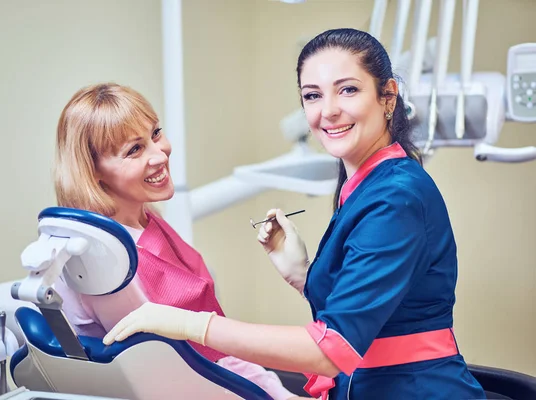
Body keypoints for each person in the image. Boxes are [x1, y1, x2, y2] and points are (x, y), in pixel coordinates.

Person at [102, 28, 487, 400]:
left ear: (388, 97)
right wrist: (304, 276)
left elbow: (330, 348)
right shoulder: (365, 186)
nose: (329, 111)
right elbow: (373, 311)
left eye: (348, 90)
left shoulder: (395, 198)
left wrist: (191, 324)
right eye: (313, 96)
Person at [51, 82, 308, 400]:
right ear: (93, 171)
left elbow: (212, 352)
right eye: (134, 150)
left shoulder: (146, 221)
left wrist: (277, 391)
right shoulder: (102, 260)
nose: (160, 154)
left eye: (155, 133)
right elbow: (169, 375)